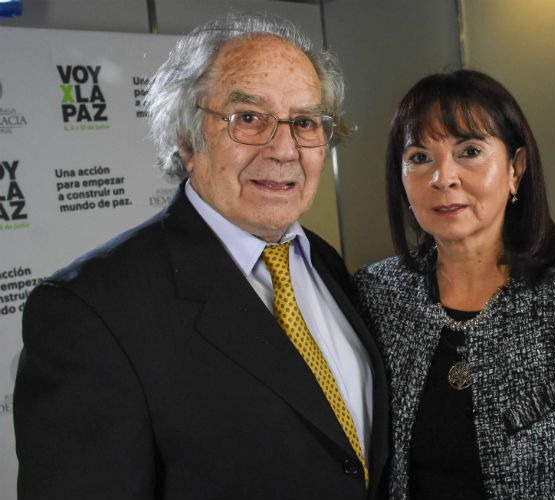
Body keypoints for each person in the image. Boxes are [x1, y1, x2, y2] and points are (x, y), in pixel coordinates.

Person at [14, 13, 388, 500]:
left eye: (304, 122)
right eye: (249, 118)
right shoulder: (89, 313)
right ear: (187, 138)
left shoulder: (323, 260)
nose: (283, 149)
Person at [355, 70, 555, 499]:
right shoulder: (377, 293)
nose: (443, 177)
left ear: (515, 169)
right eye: (419, 157)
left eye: (469, 151)